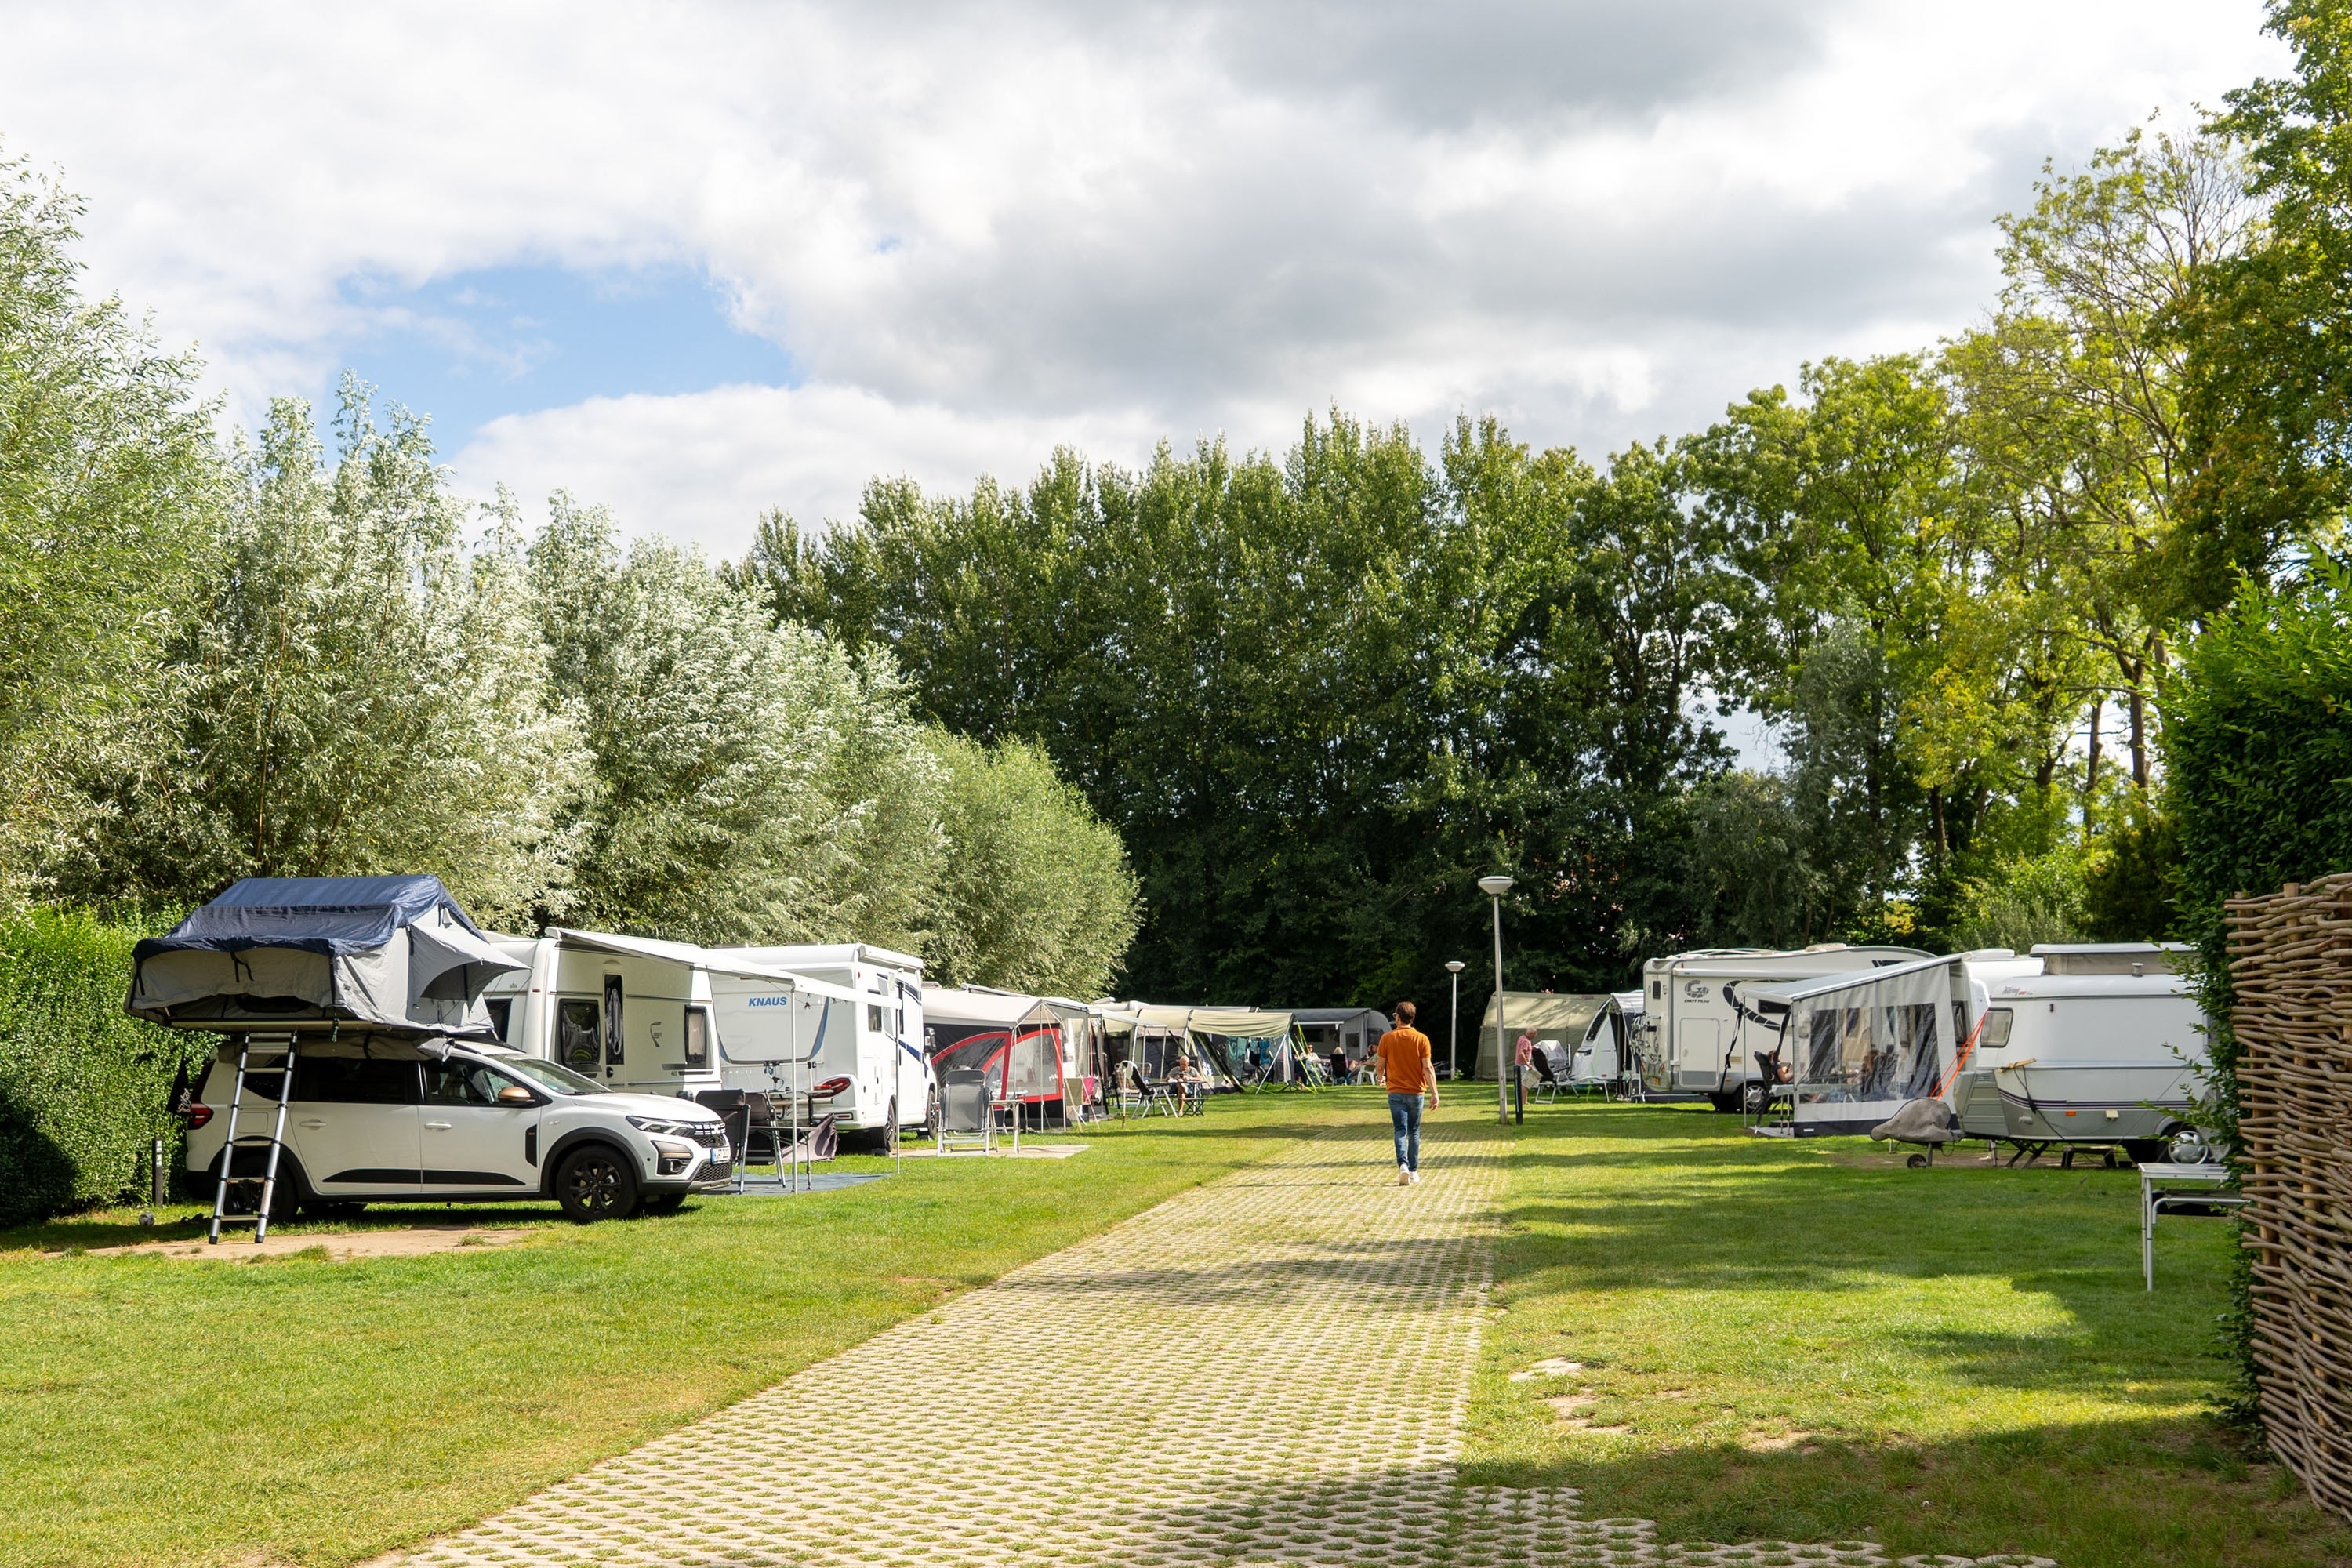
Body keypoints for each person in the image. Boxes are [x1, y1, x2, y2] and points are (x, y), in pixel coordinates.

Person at [1374, 1001, 1439, 1185]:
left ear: (1397, 1017)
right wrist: (1435, 1093)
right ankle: (1413, 1171)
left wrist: (1381, 1078)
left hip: (1395, 1091)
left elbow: (1380, 1066)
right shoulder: (1422, 1039)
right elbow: (1427, 1068)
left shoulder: (1387, 1039)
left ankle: (1402, 1165)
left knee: (1400, 1130)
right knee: (1414, 1131)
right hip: (1417, 1092)